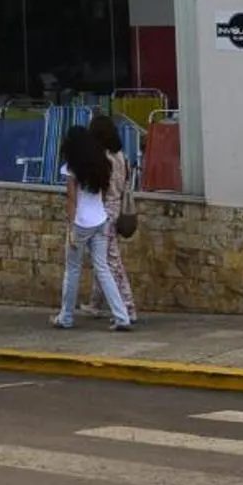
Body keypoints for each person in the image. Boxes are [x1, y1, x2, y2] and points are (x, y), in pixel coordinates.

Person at [53, 121, 133, 331]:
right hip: (101, 220)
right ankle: (121, 316)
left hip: (81, 223)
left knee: (72, 270)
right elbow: (105, 193)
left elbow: (72, 200)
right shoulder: (101, 164)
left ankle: (66, 317)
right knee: (104, 268)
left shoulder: (71, 168)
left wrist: (71, 229)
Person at [79, 110, 138, 326]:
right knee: (101, 258)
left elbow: (99, 189)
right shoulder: (121, 156)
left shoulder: (102, 159)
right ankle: (95, 303)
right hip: (117, 209)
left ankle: (128, 307)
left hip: (104, 212)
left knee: (112, 262)